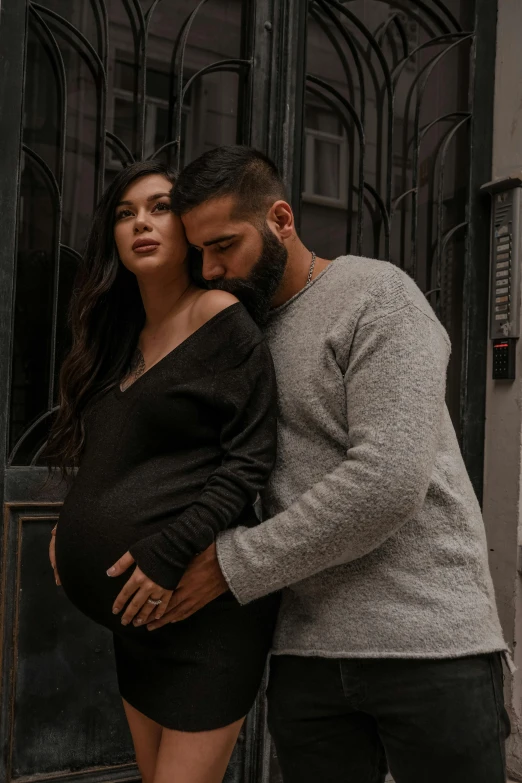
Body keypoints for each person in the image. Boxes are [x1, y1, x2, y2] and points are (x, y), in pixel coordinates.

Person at [143, 145, 511, 783]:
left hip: (428, 645)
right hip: (304, 657)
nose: (212, 267)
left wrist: (232, 565)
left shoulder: (375, 295)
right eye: (200, 252)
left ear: (281, 219)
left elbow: (385, 482)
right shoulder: (237, 335)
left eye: (225, 245)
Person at [46, 160, 280, 783]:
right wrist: (68, 525)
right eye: (125, 214)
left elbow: (248, 459)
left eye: (158, 209)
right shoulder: (122, 337)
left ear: (188, 233)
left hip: (199, 619)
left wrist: (167, 552)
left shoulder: (218, 317)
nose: (140, 224)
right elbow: (117, 453)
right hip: (137, 623)